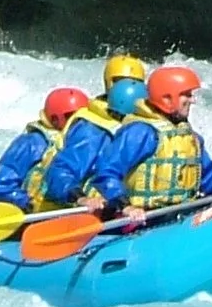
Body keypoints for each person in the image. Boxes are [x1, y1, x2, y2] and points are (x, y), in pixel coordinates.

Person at [77, 65, 212, 216]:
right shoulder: (140, 133)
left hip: (178, 215)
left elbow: (209, 177)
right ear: (167, 98)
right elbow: (106, 173)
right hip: (142, 218)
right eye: (186, 95)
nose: (192, 100)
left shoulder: (190, 137)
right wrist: (125, 206)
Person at [32, 74, 150, 210]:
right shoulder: (92, 134)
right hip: (70, 207)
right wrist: (81, 198)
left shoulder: (132, 131)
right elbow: (60, 171)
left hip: (111, 202)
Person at [0, 86, 90, 208]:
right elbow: (1, 185)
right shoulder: (32, 143)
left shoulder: (84, 141)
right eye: (72, 117)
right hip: (31, 212)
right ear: (55, 119)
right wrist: (25, 202)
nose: (79, 123)